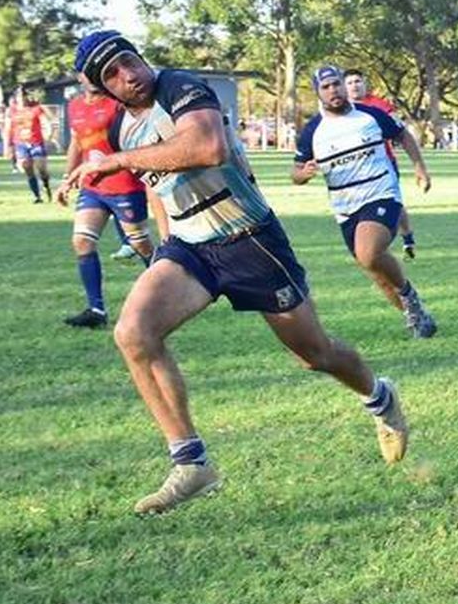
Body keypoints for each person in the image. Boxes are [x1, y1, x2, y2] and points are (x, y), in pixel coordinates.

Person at [64, 30, 410, 515]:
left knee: (315, 354)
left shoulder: (181, 87)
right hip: (190, 248)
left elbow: (208, 147)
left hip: (249, 241)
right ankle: (191, 462)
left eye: (129, 61)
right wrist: (163, 247)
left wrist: (117, 160)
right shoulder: (124, 128)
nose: (129, 75)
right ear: (103, 89)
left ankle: (379, 397)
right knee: (133, 334)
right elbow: (158, 191)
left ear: (140, 55)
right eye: (113, 75)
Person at [295, 66, 437, 337]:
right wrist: (303, 173)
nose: (333, 90)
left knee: (368, 252)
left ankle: (409, 295)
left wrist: (419, 167)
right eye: (326, 87)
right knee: (377, 274)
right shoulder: (313, 130)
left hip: (381, 193)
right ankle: (416, 317)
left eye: (336, 84)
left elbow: (403, 135)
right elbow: (295, 170)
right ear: (318, 93)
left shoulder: (370, 115)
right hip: (345, 207)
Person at [54, 85, 158, 328]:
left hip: (125, 185)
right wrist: (67, 179)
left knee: (141, 245)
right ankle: (96, 310)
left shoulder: (119, 103)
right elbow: (77, 144)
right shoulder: (75, 105)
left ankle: (169, 291)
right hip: (92, 186)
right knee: (82, 241)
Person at [344, 69, 419, 258]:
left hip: (383, 164)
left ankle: (407, 237)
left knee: (395, 201)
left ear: (364, 83)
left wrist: (419, 166)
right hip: (354, 168)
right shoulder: (338, 110)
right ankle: (367, 241)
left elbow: (399, 131)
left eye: (358, 81)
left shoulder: (380, 105)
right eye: (350, 82)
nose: (355, 85)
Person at [6, 88, 53, 202]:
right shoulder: (12, 111)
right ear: (16, 98)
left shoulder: (35, 109)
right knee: (27, 167)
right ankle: (37, 196)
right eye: (19, 96)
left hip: (36, 142)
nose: (21, 99)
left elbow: (45, 121)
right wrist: (8, 145)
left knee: (41, 168)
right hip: (20, 143)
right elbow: (8, 128)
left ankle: (46, 184)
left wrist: (49, 134)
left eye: (23, 96)